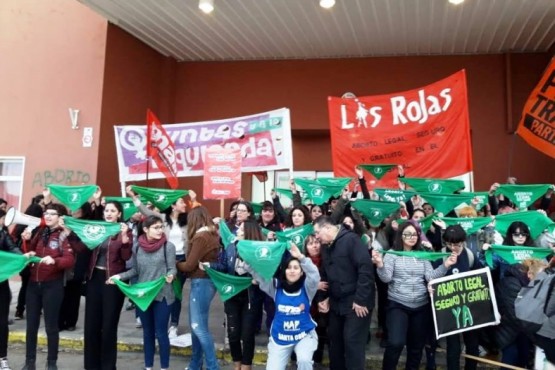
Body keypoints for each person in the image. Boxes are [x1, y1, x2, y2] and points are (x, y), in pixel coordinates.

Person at [372, 221, 457, 370]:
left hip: (421, 306)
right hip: (398, 304)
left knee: (416, 347)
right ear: (401, 235)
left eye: (415, 234)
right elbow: (386, 278)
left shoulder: (422, 254)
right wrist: (380, 264)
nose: (412, 237)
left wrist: (446, 265)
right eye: (408, 234)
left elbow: (430, 276)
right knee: (395, 343)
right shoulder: (392, 254)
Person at [62, 200, 132, 370]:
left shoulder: (123, 230)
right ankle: (91, 365)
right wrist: (69, 233)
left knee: (108, 326)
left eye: (113, 211)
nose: (108, 213)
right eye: (106, 210)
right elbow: (82, 248)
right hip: (94, 280)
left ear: (119, 214)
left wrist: (124, 239)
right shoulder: (98, 230)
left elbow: (126, 257)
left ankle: (108, 365)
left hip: (113, 281)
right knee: (92, 325)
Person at [109, 215, 177, 370]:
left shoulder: (168, 246)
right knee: (147, 333)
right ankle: (148, 366)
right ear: (146, 229)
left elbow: (172, 268)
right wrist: (118, 276)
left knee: (161, 333)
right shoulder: (137, 247)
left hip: (162, 295)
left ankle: (164, 367)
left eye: (161, 227)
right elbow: (135, 270)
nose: (160, 230)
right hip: (143, 296)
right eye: (156, 227)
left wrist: (171, 275)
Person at [313, 215, 374, 370]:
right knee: (335, 342)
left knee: (352, 342)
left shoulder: (352, 240)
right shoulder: (326, 247)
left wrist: (361, 300)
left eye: (317, 233)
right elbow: (324, 274)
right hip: (335, 303)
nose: (316, 237)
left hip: (356, 303)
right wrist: (322, 298)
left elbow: (365, 270)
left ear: (327, 228)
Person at [247, 243, 320, 370]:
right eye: (289, 267)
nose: (292, 270)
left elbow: (314, 276)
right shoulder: (275, 287)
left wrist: (301, 258)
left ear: (302, 272)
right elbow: (259, 275)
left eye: (296, 268)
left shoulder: (307, 288)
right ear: (284, 270)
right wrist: (247, 258)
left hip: (303, 335)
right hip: (280, 337)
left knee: (304, 360)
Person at [20, 203, 76, 370]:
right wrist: (27, 241)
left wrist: (55, 261)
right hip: (33, 285)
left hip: (52, 286)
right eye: (46, 213)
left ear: (60, 217)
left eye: (53, 213)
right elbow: (30, 252)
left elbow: (70, 260)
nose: (49, 216)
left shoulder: (64, 236)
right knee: (31, 326)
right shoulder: (40, 232)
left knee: (51, 326)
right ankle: (30, 362)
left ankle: (52, 363)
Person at [208, 219, 265, 370]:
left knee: (247, 335)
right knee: (233, 334)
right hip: (232, 296)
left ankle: (246, 366)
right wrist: (210, 265)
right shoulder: (231, 247)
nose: (238, 230)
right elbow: (224, 265)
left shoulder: (259, 250)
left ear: (249, 232)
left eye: (241, 229)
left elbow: (266, 273)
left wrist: (257, 280)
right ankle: (237, 364)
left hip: (250, 298)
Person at [177, 206, 220, 370]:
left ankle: (212, 366)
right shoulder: (211, 234)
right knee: (197, 326)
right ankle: (195, 363)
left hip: (201, 282)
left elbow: (189, 265)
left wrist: (175, 264)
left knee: (199, 327)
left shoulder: (201, 236)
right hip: (206, 282)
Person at [434, 225, 482, 370]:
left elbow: (481, 276)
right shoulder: (441, 255)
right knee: (453, 345)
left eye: (457, 244)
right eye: (449, 244)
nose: (453, 247)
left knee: (472, 344)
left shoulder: (469, 255)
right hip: (449, 307)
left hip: (469, 307)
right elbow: (433, 276)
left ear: (463, 241)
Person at [496, 259, 546, 369]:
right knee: (511, 357)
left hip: (523, 328)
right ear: (529, 274)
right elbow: (516, 315)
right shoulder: (511, 284)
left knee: (523, 356)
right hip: (506, 328)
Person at [0, 209, 20, 370]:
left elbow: (14, 250)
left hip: (1, 286)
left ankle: (2, 358)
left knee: (1, 324)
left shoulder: (4, 235)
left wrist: (23, 257)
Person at [304, 234, 329, 366]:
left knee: (321, 332)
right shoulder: (302, 262)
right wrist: (314, 284)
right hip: (306, 304)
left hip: (323, 302)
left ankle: (317, 359)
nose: (314, 246)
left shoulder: (327, 259)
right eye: (310, 243)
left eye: (317, 242)